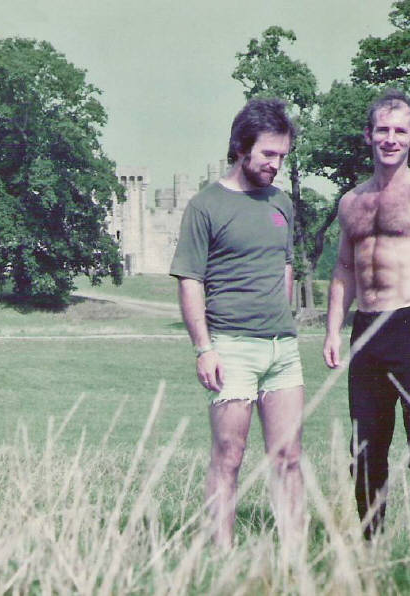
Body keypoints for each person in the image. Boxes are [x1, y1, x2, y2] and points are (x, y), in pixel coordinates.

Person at [323, 89, 410, 541]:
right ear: (368, 135)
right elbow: (344, 269)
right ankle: (372, 543)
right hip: (366, 331)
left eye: (400, 131)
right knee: (366, 449)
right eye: (382, 130)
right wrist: (333, 330)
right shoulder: (351, 202)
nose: (390, 138)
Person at [170, 98, 305, 550]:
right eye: (268, 154)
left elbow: (285, 266)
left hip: (282, 350)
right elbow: (190, 281)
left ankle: (294, 555)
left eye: (282, 156)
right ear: (241, 147)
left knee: (289, 457)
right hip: (230, 348)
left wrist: (283, 317)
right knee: (229, 456)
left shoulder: (282, 202)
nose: (276, 164)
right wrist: (204, 348)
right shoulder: (205, 205)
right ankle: (221, 555)